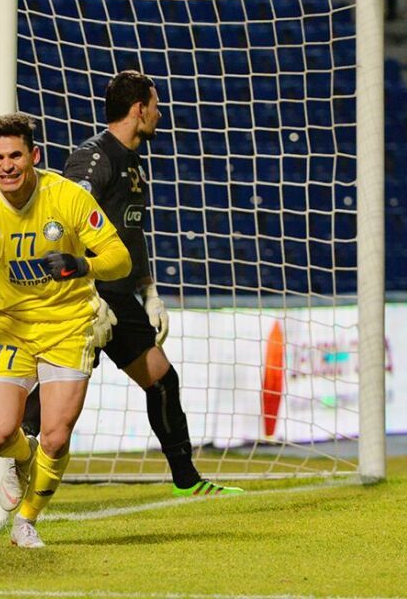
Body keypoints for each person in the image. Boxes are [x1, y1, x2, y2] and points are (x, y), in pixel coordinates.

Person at [22, 70, 243, 498]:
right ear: (139, 109)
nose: (160, 114)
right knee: (61, 392)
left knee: (161, 379)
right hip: (89, 294)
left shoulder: (131, 161)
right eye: (156, 106)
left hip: (120, 295)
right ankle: (10, 450)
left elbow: (131, 234)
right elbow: (63, 223)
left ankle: (187, 481)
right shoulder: (93, 158)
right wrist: (85, 291)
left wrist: (150, 292)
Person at [0, 113, 131, 547]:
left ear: (34, 156)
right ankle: (23, 458)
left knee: (55, 437)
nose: (7, 166)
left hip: (68, 325)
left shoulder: (67, 196)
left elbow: (120, 259)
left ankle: (26, 521)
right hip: (10, 329)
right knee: (0, 436)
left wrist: (82, 265)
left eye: (15, 155)